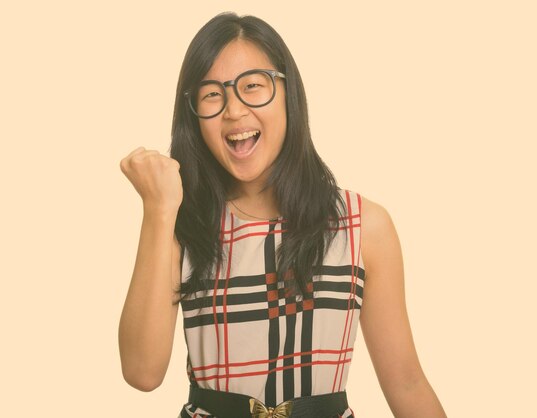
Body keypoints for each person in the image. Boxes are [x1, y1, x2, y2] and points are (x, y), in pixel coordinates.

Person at [118, 12, 447, 418]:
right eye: (211, 95)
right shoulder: (180, 225)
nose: (234, 111)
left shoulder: (363, 226)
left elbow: (407, 383)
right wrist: (158, 208)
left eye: (252, 86)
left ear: (288, 93)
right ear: (193, 115)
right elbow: (141, 372)